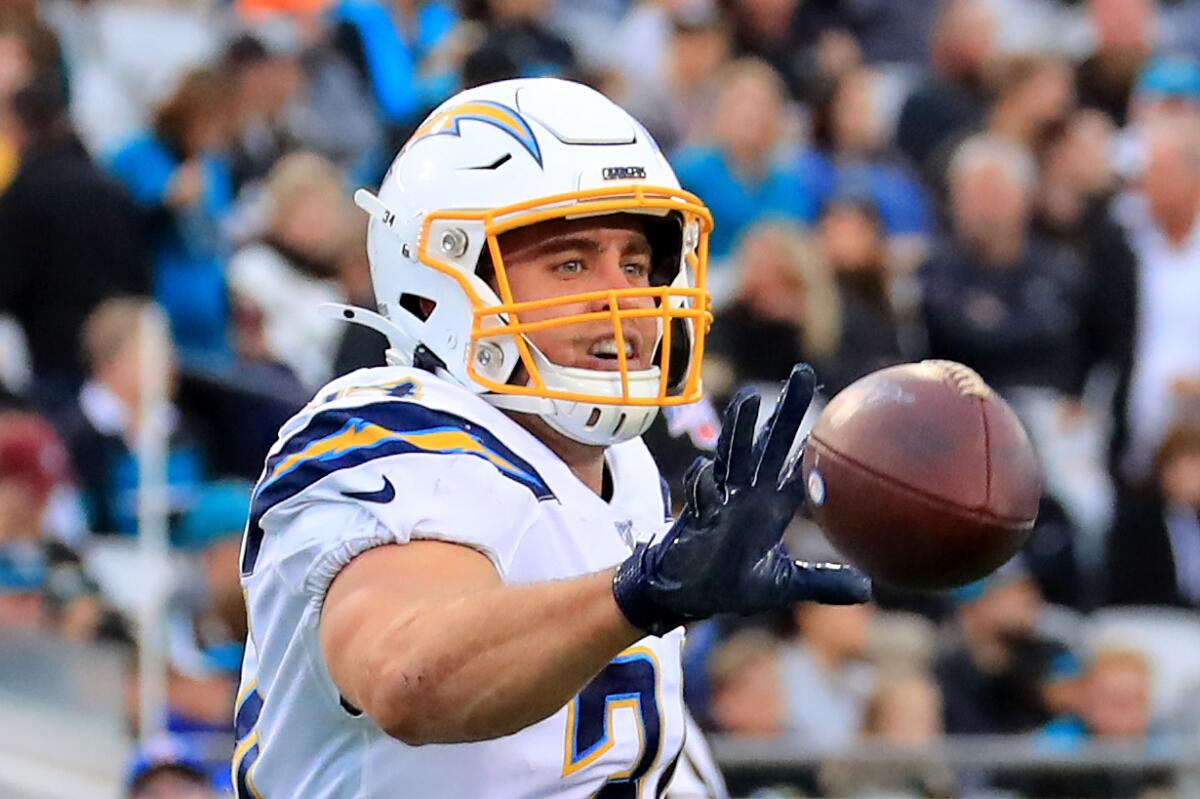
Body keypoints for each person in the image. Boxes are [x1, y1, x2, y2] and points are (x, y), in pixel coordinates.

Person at [233, 77, 870, 797]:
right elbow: (403, 673)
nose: (624, 296)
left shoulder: (626, 467)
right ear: (441, 273)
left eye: (635, 264)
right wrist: (640, 591)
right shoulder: (390, 429)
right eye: (571, 262)